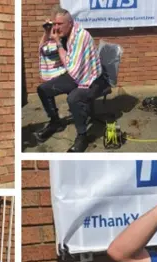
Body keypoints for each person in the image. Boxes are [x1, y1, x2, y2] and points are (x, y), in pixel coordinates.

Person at [34, 5, 109, 152]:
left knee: (74, 98)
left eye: (59, 24)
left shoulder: (81, 36)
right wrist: (47, 32)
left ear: (70, 23)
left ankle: (82, 136)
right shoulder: (63, 35)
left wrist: (58, 43)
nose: (57, 27)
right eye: (54, 24)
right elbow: (44, 49)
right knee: (43, 89)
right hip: (76, 75)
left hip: (92, 78)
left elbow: (71, 65)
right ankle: (55, 122)